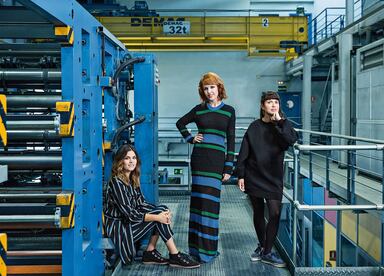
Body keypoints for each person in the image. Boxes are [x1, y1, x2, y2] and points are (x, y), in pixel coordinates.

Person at [104, 144, 200, 268]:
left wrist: (163, 213)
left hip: (128, 223)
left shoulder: (132, 179)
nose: (132, 161)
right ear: (120, 161)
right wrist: (157, 217)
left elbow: (142, 204)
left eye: (134, 158)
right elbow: (130, 214)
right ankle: (174, 255)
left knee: (162, 209)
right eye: (127, 158)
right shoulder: (116, 183)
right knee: (157, 217)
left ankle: (151, 251)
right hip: (120, 228)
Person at [176, 72, 236, 263]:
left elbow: (232, 140)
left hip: (217, 162)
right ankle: (195, 250)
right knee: (198, 204)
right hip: (200, 159)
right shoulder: (199, 109)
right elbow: (180, 123)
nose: (209, 91)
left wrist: (228, 168)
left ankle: (208, 252)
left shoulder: (229, 111)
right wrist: (190, 138)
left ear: (219, 88)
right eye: (206, 88)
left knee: (211, 207)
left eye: (212, 87)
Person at [236, 91, 298, 267]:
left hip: (273, 177)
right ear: (263, 106)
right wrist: (241, 174)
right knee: (258, 211)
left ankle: (267, 250)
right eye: (269, 102)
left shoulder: (282, 125)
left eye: (276, 103)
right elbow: (244, 151)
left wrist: (280, 122)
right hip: (254, 175)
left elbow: (291, 140)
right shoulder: (254, 127)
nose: (273, 105)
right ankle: (264, 248)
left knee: (275, 213)